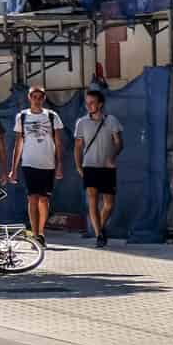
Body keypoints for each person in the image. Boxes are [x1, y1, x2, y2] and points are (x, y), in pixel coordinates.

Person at [9, 84, 65, 246]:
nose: (37, 100)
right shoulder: (22, 117)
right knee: (32, 198)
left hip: (48, 163)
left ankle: (41, 231)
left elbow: (58, 142)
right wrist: (14, 169)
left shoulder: (52, 116)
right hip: (29, 162)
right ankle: (35, 234)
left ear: (44, 99)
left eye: (40, 97)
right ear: (29, 98)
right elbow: (18, 143)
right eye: (34, 97)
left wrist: (59, 164)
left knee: (44, 200)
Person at [74, 89, 123, 248]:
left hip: (107, 167)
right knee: (92, 201)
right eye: (87, 103)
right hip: (89, 166)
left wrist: (112, 157)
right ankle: (98, 235)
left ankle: (100, 229)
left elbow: (119, 143)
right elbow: (78, 147)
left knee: (109, 204)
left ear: (100, 104)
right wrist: (78, 166)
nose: (89, 105)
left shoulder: (111, 120)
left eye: (92, 102)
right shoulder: (81, 122)